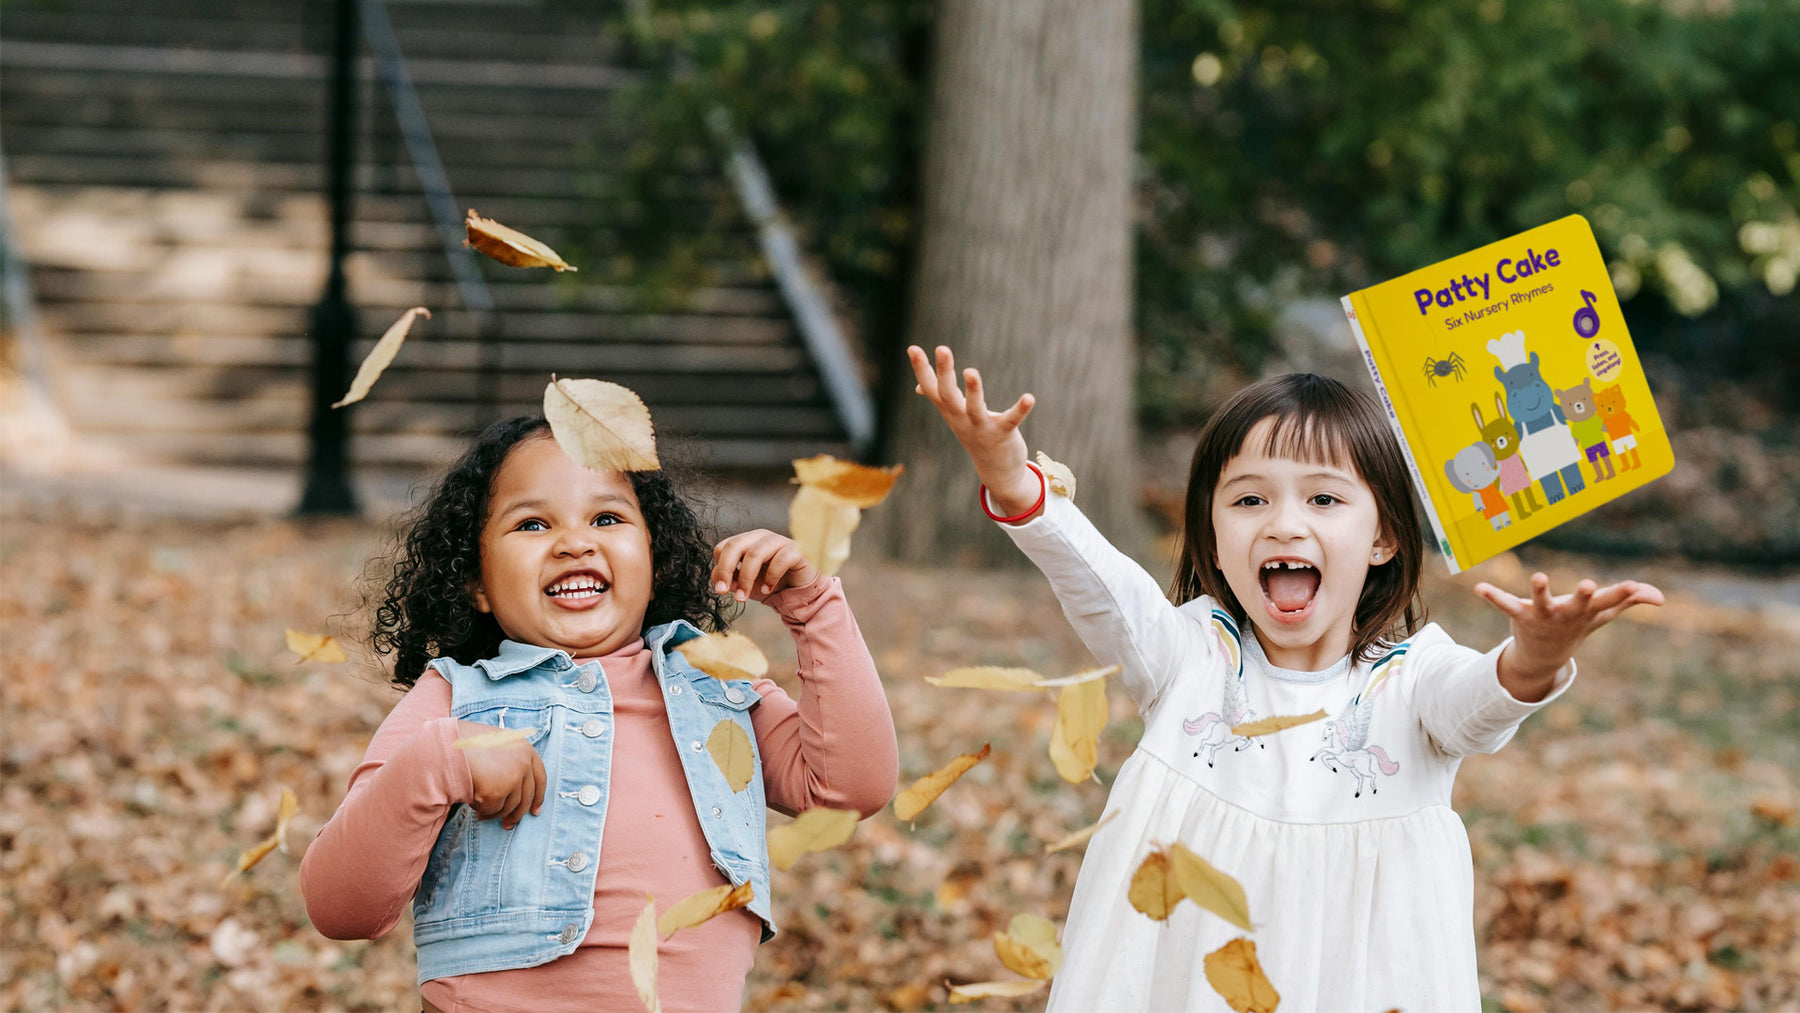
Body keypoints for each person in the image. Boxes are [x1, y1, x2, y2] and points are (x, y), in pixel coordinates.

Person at [907, 345, 1662, 1012]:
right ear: (1211, 534)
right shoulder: (1189, 655)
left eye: (1325, 498)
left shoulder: (1412, 679)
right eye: (1249, 499)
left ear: (1384, 536)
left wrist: (1537, 653)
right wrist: (1011, 479)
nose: (1284, 523)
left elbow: (1480, 704)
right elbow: (1097, 581)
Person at [300, 416, 898, 1013]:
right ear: (476, 584)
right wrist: (440, 760)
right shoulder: (455, 699)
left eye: (607, 518)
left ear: (656, 557)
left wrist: (813, 608)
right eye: (532, 524)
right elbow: (340, 906)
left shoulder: (716, 685)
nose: (574, 542)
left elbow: (848, 789)